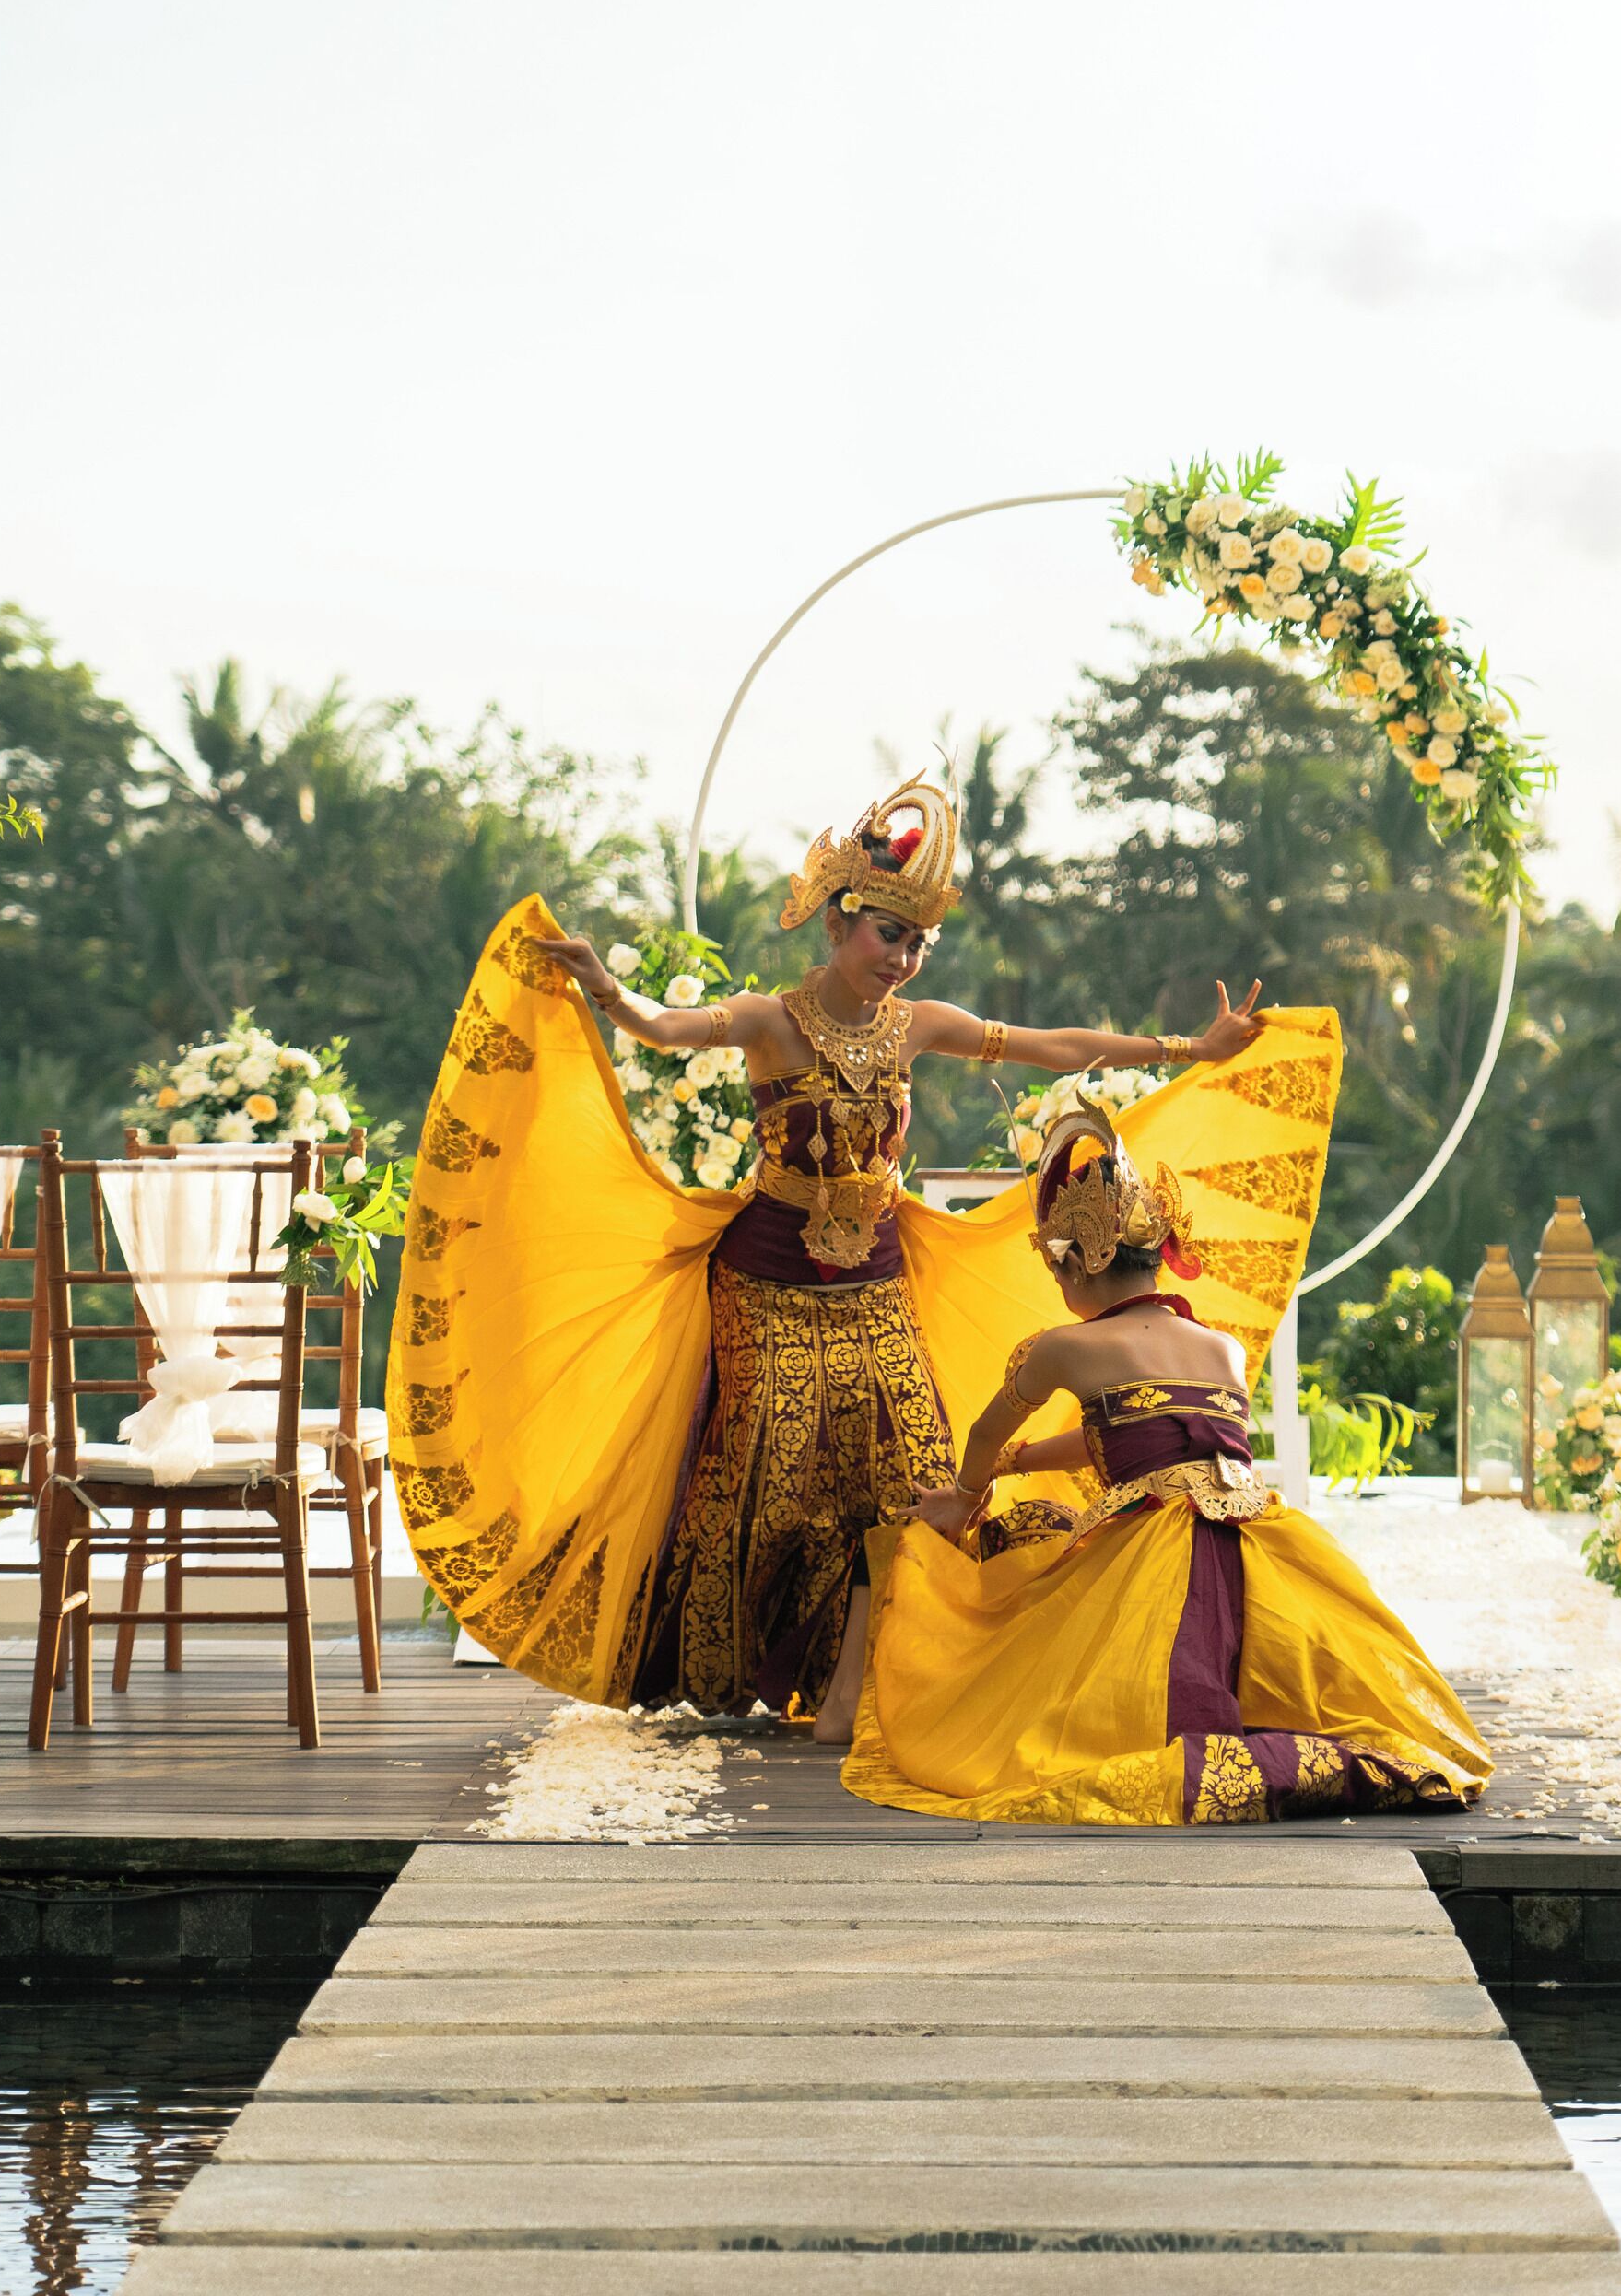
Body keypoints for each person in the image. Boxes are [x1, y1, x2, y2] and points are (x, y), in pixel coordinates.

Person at [389, 775, 1329, 1738]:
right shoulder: (769, 1020)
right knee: (768, 1471)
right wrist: (603, 984)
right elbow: (666, 1030)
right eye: (890, 935)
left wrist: (1186, 1047)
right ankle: (734, 1661)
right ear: (837, 922)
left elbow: (1049, 1045)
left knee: (911, 1465)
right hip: (765, 1277)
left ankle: (876, 1673)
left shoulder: (916, 1026)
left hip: (876, 1279)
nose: (904, 960)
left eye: (919, 943)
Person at [842, 1098, 1492, 1823]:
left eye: (1056, 1270)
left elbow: (983, 1434)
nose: (1059, 1288)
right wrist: (1017, 1464)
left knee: (1022, 1572)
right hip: (1260, 1542)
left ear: (1080, 1262)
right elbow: (1141, 1433)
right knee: (1327, 1701)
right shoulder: (1222, 1349)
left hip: (1157, 1552)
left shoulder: (1066, 1346)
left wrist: (967, 1495)